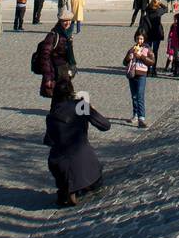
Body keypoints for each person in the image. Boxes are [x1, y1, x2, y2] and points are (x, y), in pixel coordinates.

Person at [44, 74, 111, 207]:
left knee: (65, 167)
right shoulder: (80, 106)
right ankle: (77, 188)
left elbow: (49, 140)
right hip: (86, 162)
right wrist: (90, 109)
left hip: (60, 163)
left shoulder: (52, 115)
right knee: (94, 181)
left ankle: (68, 189)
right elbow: (105, 125)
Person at [38, 14, 77, 98]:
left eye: (69, 20)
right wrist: (47, 77)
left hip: (64, 71)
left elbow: (69, 55)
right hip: (56, 72)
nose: (68, 23)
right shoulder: (53, 35)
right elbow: (45, 56)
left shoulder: (67, 34)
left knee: (66, 96)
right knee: (62, 96)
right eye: (65, 21)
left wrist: (72, 66)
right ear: (60, 21)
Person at [123, 32, 154, 126]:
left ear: (144, 39)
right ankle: (135, 115)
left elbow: (152, 62)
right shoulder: (132, 49)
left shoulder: (147, 49)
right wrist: (129, 58)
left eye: (141, 39)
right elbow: (124, 62)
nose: (139, 41)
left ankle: (141, 117)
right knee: (134, 96)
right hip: (132, 74)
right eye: (138, 39)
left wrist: (142, 57)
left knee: (140, 95)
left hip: (142, 74)